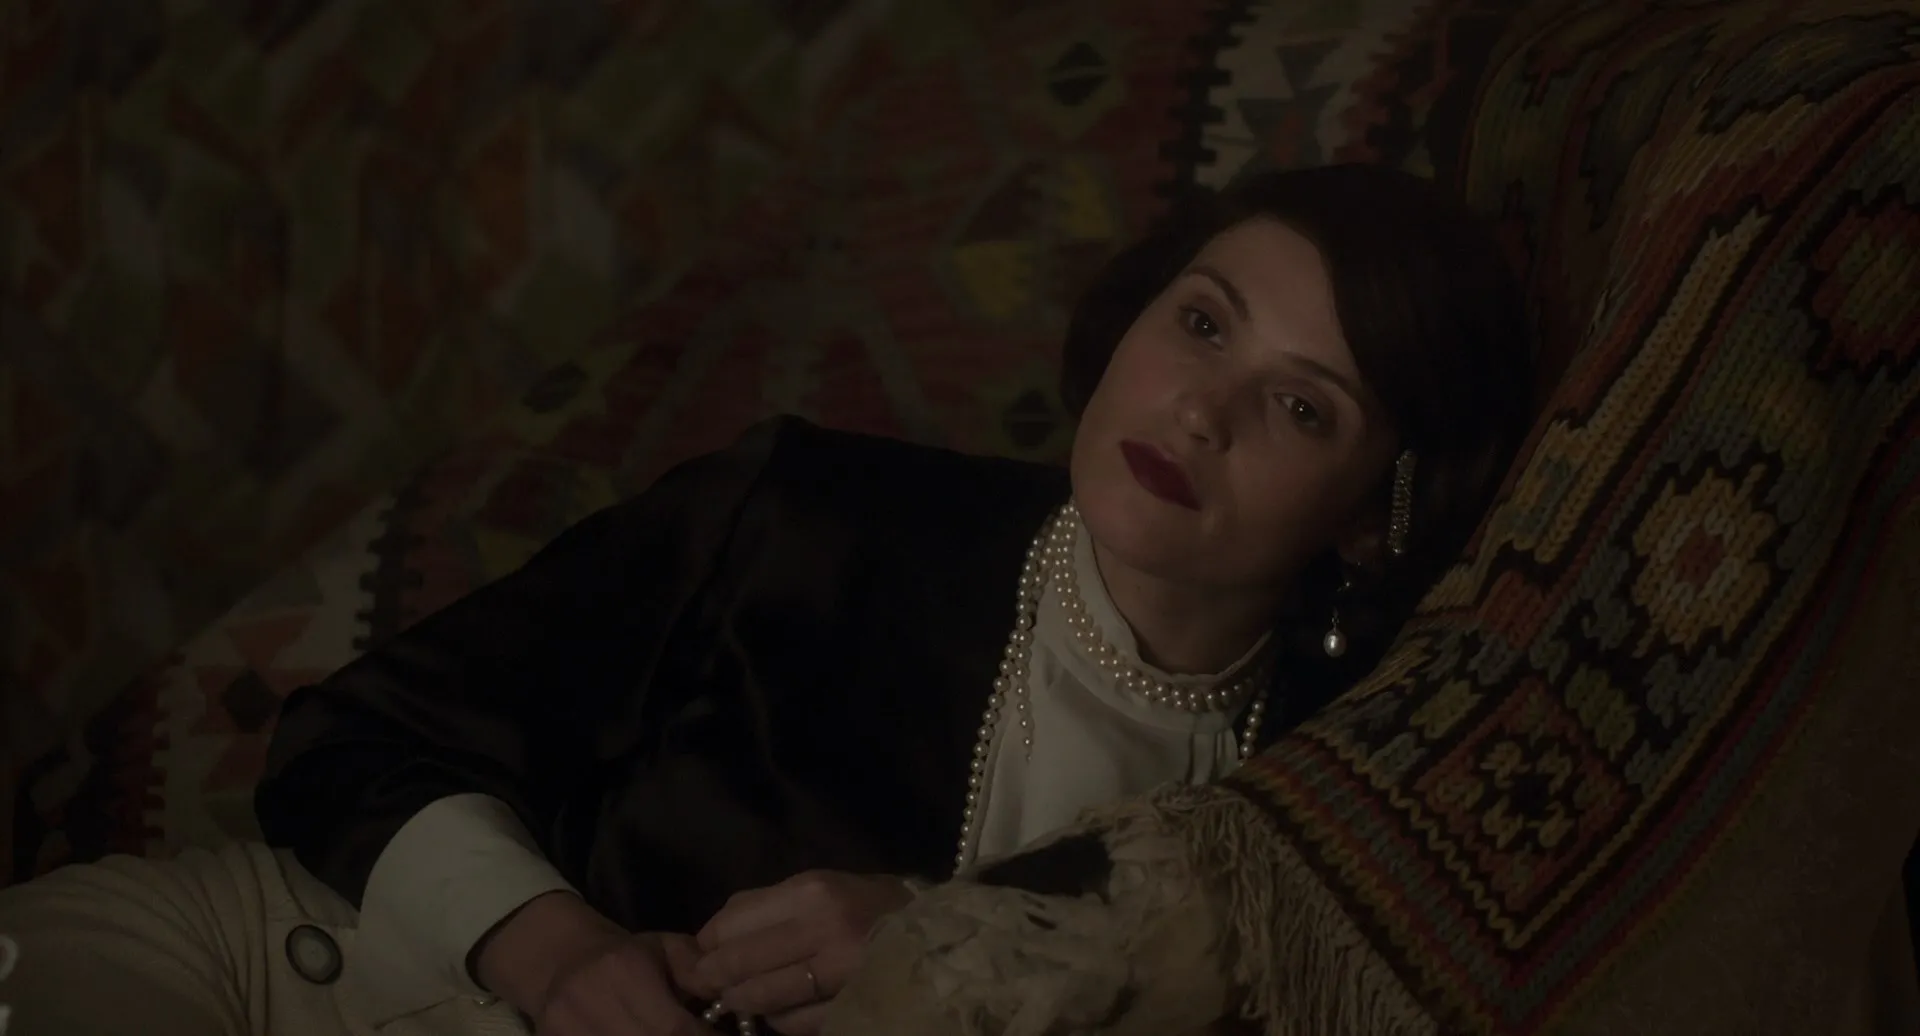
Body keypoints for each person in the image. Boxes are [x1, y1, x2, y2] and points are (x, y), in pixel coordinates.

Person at [0, 163, 1535, 1036]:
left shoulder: (1323, 807)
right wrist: (557, 950)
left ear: (1372, 518)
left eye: (1304, 406)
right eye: (1201, 323)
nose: (1201, 408)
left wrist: (943, 946)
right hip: (274, 980)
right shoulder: (815, 514)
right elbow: (345, 743)